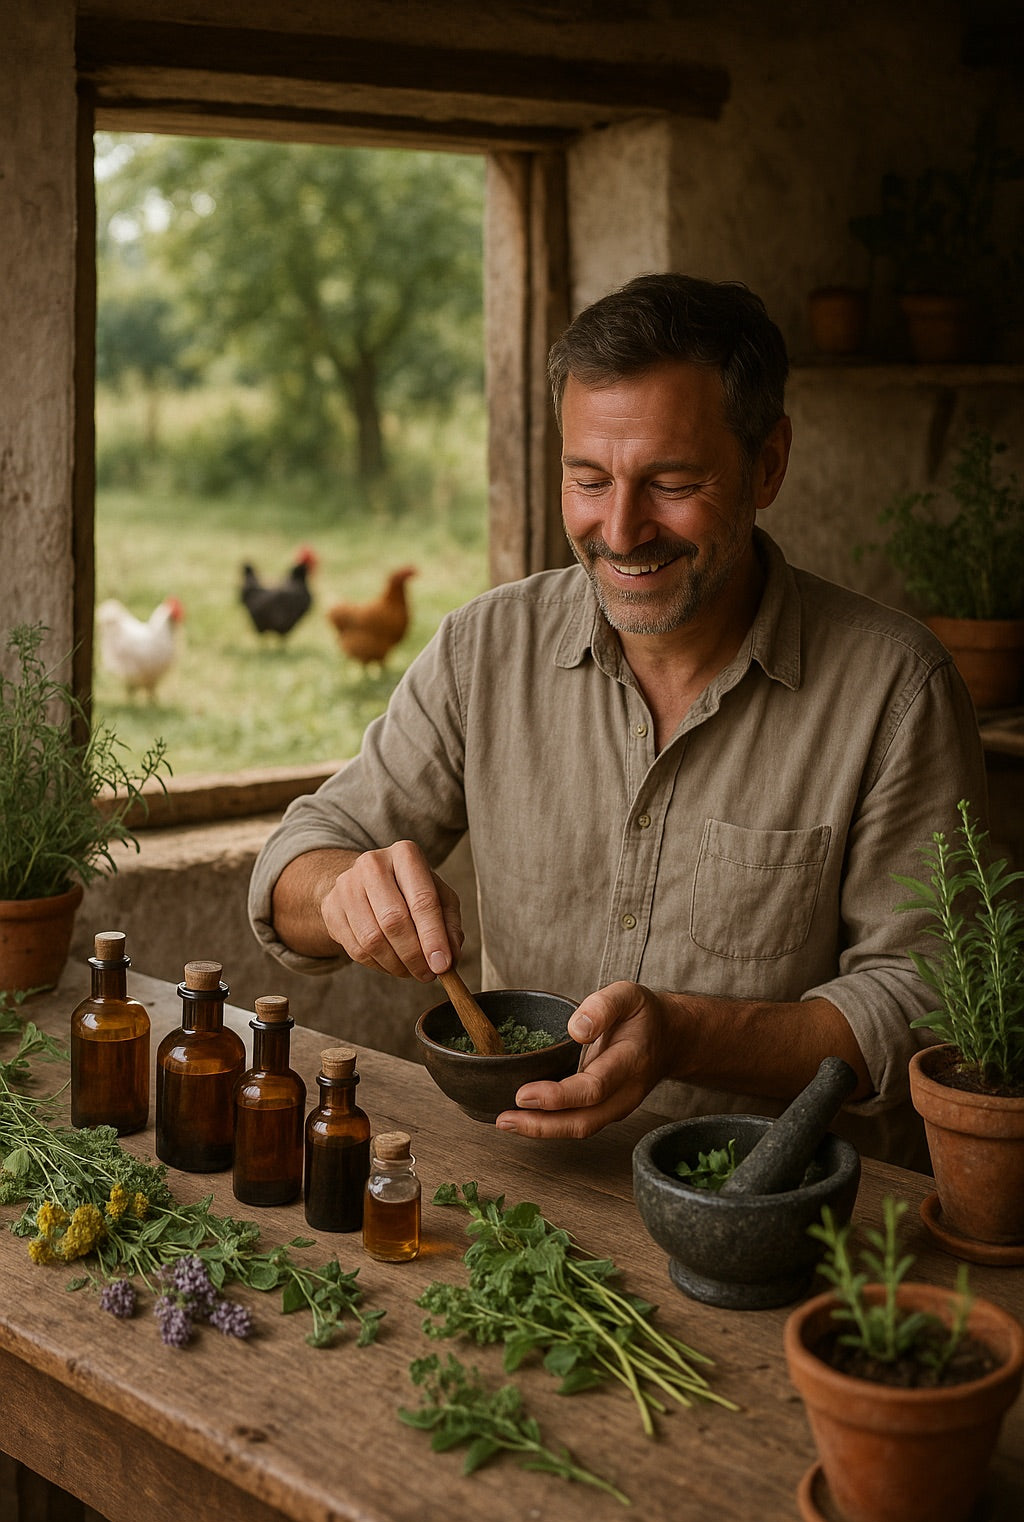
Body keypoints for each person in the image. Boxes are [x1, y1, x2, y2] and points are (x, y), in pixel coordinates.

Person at [248, 273, 987, 1168]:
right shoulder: (487, 647)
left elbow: (929, 1002)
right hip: (518, 1187)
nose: (622, 529)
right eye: (588, 479)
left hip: (763, 1210)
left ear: (769, 463)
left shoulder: (895, 690)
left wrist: (685, 1037)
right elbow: (301, 855)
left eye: (672, 482)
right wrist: (337, 891)